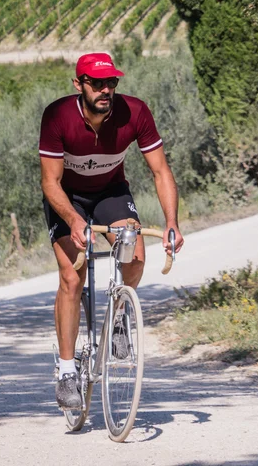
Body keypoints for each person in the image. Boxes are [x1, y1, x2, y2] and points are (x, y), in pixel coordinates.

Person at [39, 52, 184, 409]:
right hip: (67, 197)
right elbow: (50, 183)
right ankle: (67, 369)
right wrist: (74, 220)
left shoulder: (134, 112)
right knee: (73, 277)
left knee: (134, 252)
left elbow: (161, 171)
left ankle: (119, 318)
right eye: (96, 83)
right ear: (79, 84)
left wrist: (171, 222)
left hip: (110, 192)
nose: (106, 90)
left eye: (111, 82)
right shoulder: (58, 116)